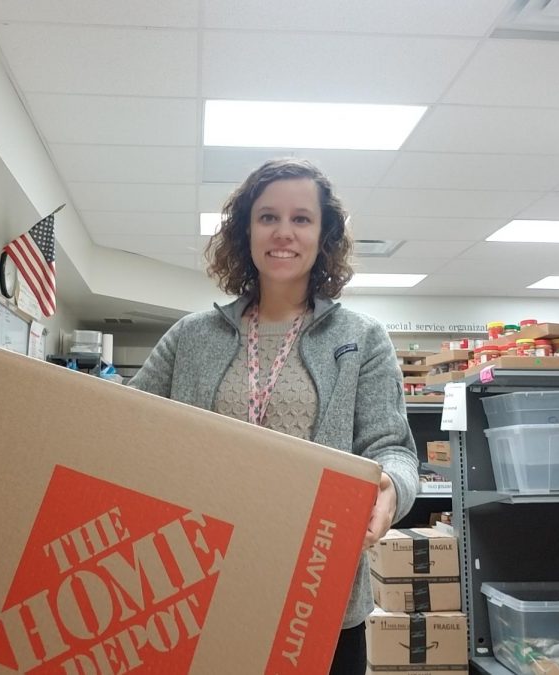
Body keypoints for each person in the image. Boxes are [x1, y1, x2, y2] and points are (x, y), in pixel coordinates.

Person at [129, 157, 419, 673]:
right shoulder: (191, 337)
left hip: (317, 591)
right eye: (268, 217)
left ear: (324, 234)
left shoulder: (363, 339)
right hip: (199, 583)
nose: (283, 232)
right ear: (246, 231)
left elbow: (392, 448)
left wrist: (391, 490)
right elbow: (126, 424)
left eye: (301, 219)